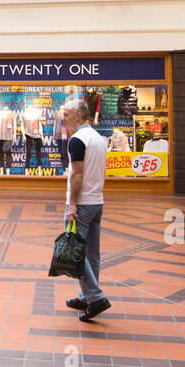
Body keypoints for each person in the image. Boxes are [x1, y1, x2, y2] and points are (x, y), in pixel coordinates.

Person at [62, 98, 111, 322]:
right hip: (97, 202)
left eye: (67, 115)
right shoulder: (99, 139)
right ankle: (85, 295)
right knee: (91, 252)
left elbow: (77, 174)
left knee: (77, 251)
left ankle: (95, 297)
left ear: (78, 115)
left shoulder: (77, 140)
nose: (64, 119)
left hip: (82, 204)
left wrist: (72, 205)